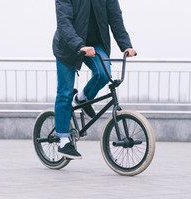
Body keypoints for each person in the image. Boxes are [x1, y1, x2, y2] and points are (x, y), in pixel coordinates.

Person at [53, 0, 136, 159]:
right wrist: (79, 45)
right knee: (65, 93)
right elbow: (64, 22)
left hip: (95, 44)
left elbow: (115, 18)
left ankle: (83, 98)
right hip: (68, 46)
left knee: (104, 75)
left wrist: (125, 45)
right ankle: (63, 140)